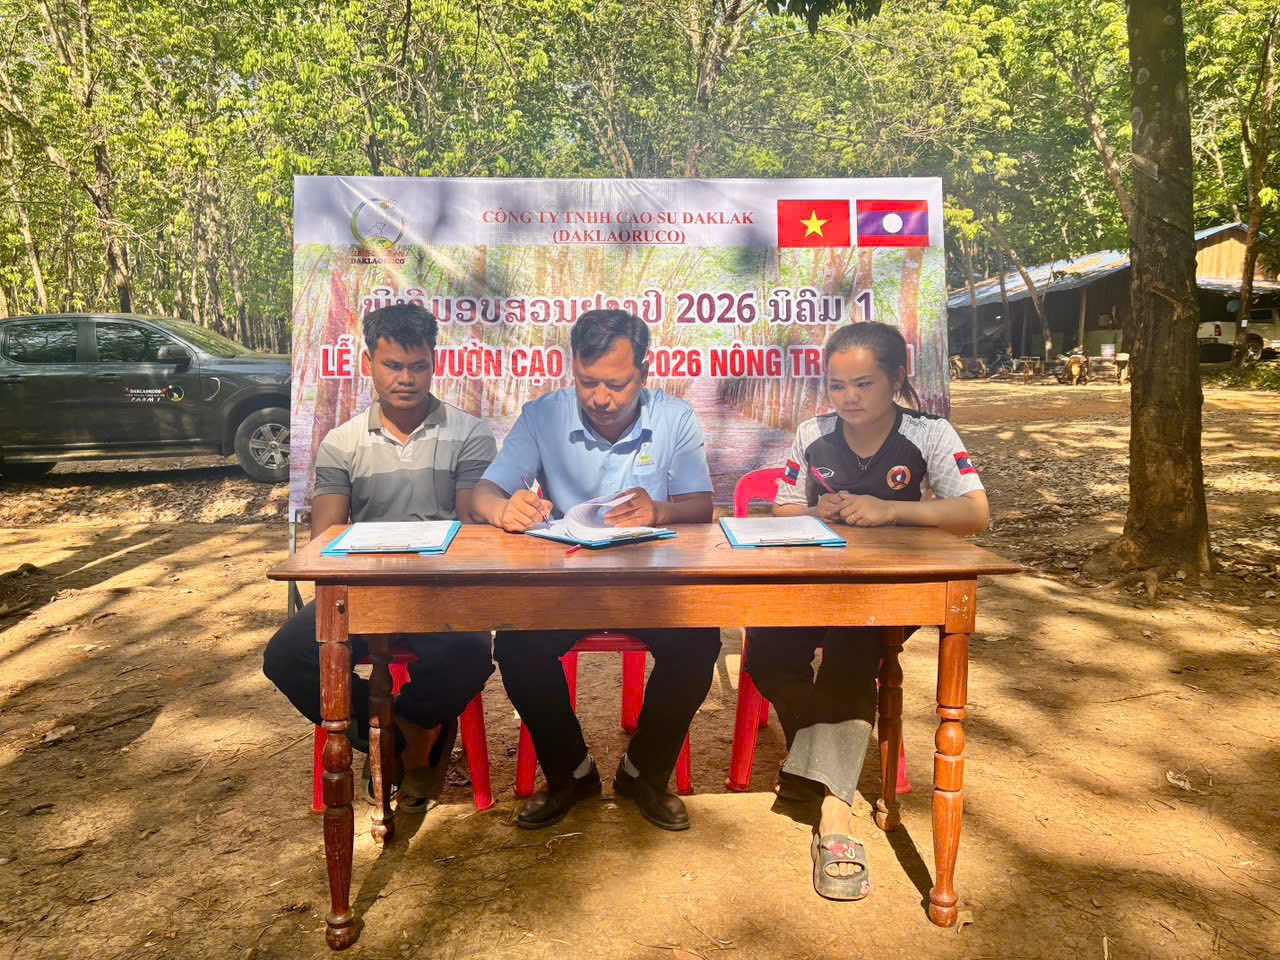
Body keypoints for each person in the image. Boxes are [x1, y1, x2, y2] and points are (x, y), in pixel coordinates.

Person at [746, 321, 989, 900]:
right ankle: (814, 768)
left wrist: (891, 510)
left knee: (853, 645)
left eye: (863, 384)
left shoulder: (928, 434)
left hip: (892, 588)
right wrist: (820, 511)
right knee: (767, 648)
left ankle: (834, 813)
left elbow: (975, 512)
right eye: (837, 386)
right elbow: (782, 509)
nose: (849, 398)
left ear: (896, 380)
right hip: (816, 581)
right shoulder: (813, 434)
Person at [472, 309, 720, 832]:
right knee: (517, 647)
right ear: (573, 369)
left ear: (644, 372)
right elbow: (486, 492)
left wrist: (660, 510)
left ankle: (644, 773)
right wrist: (502, 509)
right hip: (568, 583)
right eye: (587, 382)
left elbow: (700, 505)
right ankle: (571, 774)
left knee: (698, 643)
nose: (600, 398)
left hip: (649, 585)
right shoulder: (543, 416)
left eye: (617, 384)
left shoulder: (674, 418)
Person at [263, 304, 497, 812]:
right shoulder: (342, 443)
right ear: (368, 362)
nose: (406, 379)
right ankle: (387, 741)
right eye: (393, 365)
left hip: (439, 590)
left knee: (470, 653)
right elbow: (325, 540)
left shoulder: (469, 434)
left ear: (434, 363)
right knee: (285, 656)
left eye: (418, 366)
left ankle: (414, 726)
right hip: (359, 591)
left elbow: (471, 529)